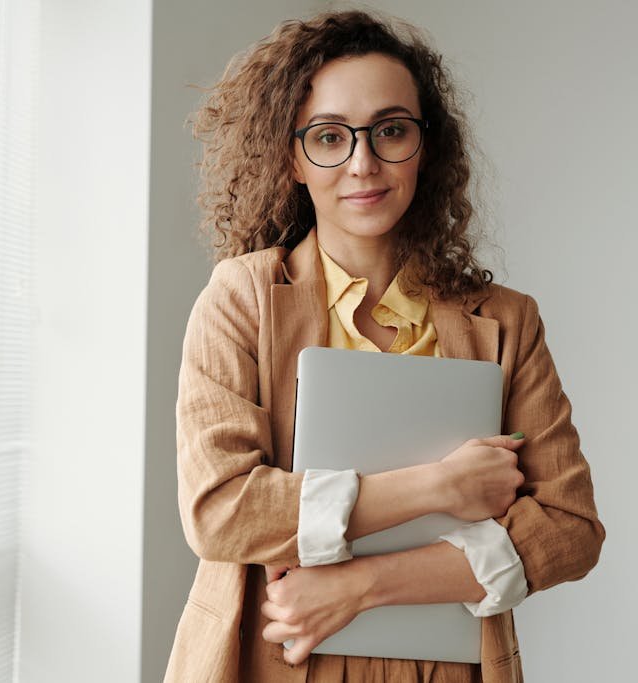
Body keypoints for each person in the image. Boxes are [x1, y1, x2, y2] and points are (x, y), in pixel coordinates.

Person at [167, 10, 604, 683]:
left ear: (425, 146)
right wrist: (440, 484)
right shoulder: (241, 299)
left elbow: (570, 529)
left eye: (390, 130)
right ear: (291, 156)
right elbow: (222, 510)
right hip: (268, 659)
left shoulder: (508, 322)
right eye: (330, 137)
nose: (363, 163)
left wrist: (358, 584)